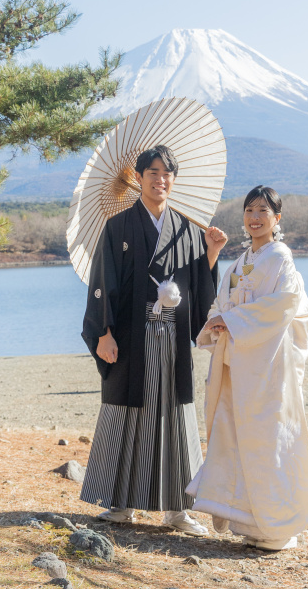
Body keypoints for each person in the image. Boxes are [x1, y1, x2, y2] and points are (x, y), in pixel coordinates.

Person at [80, 144, 228, 536]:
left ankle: (178, 509)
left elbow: (199, 285)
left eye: (167, 174)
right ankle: (121, 503)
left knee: (174, 414)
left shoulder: (188, 229)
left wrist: (211, 254)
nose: (160, 179)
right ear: (139, 178)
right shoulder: (118, 226)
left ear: (173, 181)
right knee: (127, 411)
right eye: (153, 172)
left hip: (172, 335)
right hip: (129, 333)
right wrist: (103, 332)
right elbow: (102, 283)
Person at [187, 185, 308, 550]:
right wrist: (219, 320)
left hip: (268, 365)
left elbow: (283, 304)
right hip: (239, 360)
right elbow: (222, 302)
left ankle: (279, 525)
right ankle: (250, 521)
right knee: (237, 435)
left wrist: (233, 321)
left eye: (263, 211)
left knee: (268, 436)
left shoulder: (280, 256)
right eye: (249, 210)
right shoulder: (239, 260)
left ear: (276, 218)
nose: (254, 217)